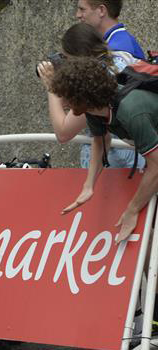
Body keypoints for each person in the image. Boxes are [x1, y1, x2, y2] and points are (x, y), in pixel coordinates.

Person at [51, 57, 158, 243]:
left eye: (66, 97)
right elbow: (101, 142)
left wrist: (132, 210)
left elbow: (156, 168)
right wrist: (88, 185)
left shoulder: (130, 110)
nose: (64, 103)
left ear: (81, 98)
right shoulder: (96, 109)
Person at [37, 22, 143, 168]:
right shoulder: (115, 65)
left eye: (66, 57)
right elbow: (71, 106)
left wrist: (51, 86)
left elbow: (63, 132)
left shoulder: (95, 82)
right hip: (134, 157)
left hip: (117, 163)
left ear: (78, 57)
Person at [76, 0, 144, 60]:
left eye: (82, 9)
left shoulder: (118, 51)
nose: (78, 15)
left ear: (101, 10)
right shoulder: (116, 41)